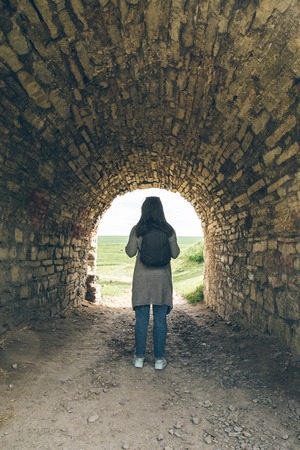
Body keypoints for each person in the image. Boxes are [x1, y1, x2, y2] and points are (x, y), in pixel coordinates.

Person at [125, 196, 180, 370]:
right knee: (160, 320)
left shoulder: (137, 229)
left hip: (142, 280)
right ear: (160, 210)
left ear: (144, 210)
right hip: (162, 281)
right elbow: (175, 253)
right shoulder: (168, 229)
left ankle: (139, 358)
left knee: (141, 320)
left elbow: (130, 252)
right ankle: (158, 360)